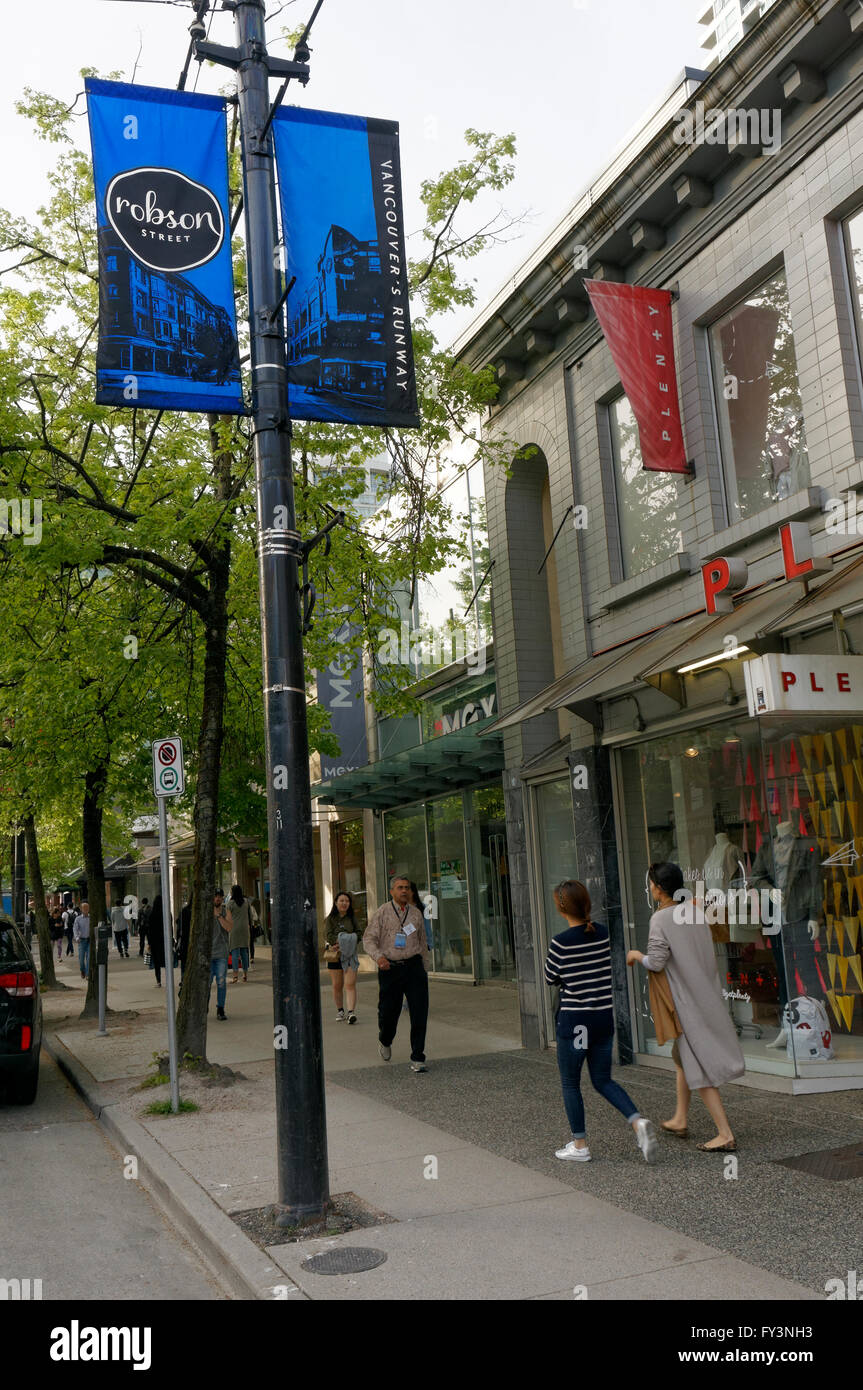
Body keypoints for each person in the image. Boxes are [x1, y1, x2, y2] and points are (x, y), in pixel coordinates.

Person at [627, 861, 745, 1153]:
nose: (649, 887)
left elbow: (656, 962)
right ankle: (680, 1117)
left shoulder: (661, 919)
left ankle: (724, 1133)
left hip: (686, 1002)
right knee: (682, 1058)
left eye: (651, 882)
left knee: (698, 1067)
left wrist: (635, 955)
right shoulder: (693, 910)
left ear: (658, 887)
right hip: (706, 993)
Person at [544, 880, 657, 1164]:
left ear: (560, 908)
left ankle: (580, 1145)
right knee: (603, 1079)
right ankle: (636, 1121)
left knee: (570, 1082)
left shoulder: (560, 942)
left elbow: (550, 978)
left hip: (576, 1022)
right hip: (602, 1020)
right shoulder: (603, 934)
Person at [363, 875, 430, 1072]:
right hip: (390, 968)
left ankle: (418, 1057)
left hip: (414, 967)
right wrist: (379, 957)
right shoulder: (383, 912)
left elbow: (422, 942)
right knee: (389, 1013)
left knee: (419, 1011)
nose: (404, 891)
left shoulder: (416, 914)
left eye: (407, 888)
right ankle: (385, 1039)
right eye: (400, 888)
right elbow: (368, 939)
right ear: (392, 891)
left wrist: (425, 967)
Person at [324, 891, 361, 1023]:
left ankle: (351, 1012)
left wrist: (347, 941)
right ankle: (340, 1010)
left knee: (350, 984)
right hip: (335, 955)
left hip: (350, 955)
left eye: (347, 901)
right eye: (342, 900)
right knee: (337, 985)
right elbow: (328, 935)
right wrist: (339, 942)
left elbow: (359, 933)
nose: (344, 903)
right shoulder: (330, 919)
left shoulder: (352, 918)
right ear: (336, 903)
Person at [210, 892, 230, 1020]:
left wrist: (219, 917)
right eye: (215, 896)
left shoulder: (226, 912)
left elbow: (229, 927)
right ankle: (203, 1008)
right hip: (208, 953)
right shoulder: (206, 912)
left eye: (219, 896)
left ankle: (220, 1008)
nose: (217, 898)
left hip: (221, 952)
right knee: (207, 983)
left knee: (221, 982)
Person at [227, 885, 252, 983]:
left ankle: (235, 976)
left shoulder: (230, 904)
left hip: (234, 930)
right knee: (244, 953)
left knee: (235, 953)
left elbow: (228, 918)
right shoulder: (246, 902)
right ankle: (245, 975)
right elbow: (250, 916)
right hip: (245, 929)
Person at [143, 893, 166, 987]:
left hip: (155, 941)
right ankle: (168, 978)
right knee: (166, 960)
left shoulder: (152, 915)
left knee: (156, 962)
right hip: (164, 940)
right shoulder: (166, 913)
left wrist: (149, 943)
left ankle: (158, 981)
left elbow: (150, 930)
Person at [73, 902, 91, 980]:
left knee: (89, 958)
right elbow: (75, 929)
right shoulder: (78, 919)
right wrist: (77, 937)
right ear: (81, 909)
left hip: (89, 940)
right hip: (82, 940)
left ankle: (87, 974)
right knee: (81, 959)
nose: (86, 910)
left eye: (87, 908)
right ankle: (82, 970)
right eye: (84, 908)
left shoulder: (91, 917)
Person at [177, 895, 193, 980]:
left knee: (184, 962)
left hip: (185, 940)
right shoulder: (198, 913)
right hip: (194, 941)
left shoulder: (184, 911)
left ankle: (184, 979)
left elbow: (179, 927)